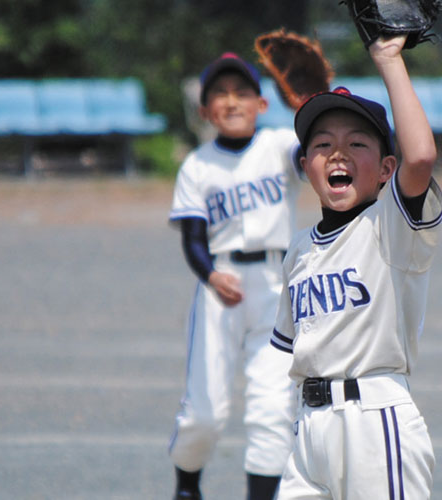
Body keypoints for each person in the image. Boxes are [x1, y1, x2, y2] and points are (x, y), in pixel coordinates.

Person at [269, 35, 442, 499]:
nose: (338, 154)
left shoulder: (390, 226)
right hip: (310, 431)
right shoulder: (299, 250)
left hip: (373, 422)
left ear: (387, 168)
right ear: (306, 165)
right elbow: (291, 353)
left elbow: (421, 156)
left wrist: (389, 59)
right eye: (323, 144)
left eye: (357, 143)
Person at [167, 52, 303, 500]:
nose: (231, 101)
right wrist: (209, 275)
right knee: (203, 415)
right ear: (204, 111)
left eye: (242, 92)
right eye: (219, 94)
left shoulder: (280, 144)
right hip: (220, 287)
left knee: (272, 408)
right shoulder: (197, 165)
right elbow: (192, 239)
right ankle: (188, 485)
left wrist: (312, 103)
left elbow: (314, 155)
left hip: (275, 286)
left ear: (261, 105)